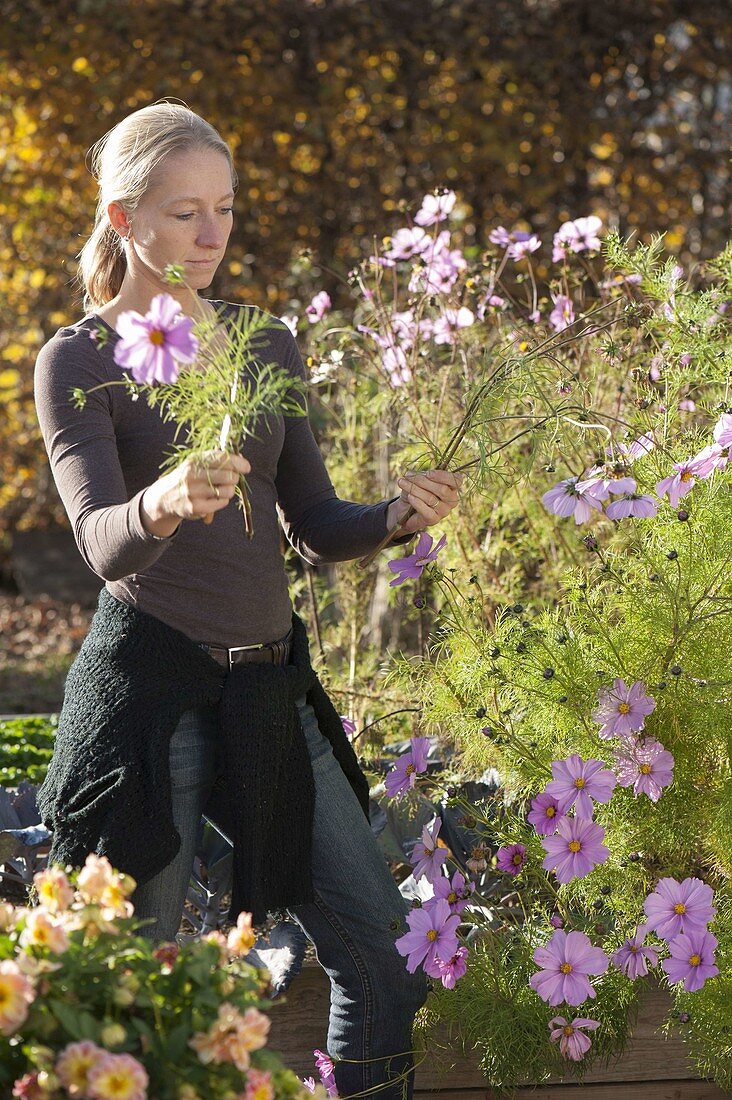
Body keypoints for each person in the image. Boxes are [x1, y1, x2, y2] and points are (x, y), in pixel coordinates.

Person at [33, 100, 463, 1099]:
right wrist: (165, 498)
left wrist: (396, 513)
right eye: (186, 212)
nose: (214, 233)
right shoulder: (80, 359)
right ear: (125, 218)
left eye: (223, 209)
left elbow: (311, 522)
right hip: (152, 701)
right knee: (130, 998)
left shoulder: (264, 343)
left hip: (271, 689)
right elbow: (102, 540)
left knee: (387, 962)